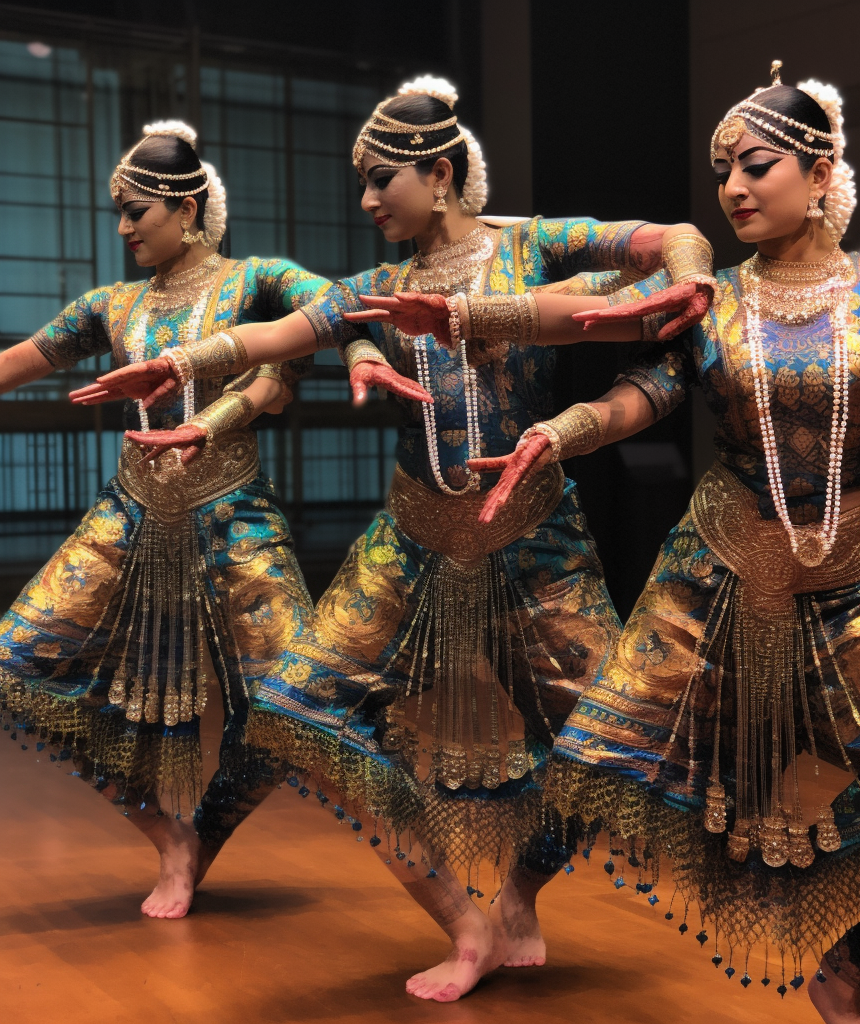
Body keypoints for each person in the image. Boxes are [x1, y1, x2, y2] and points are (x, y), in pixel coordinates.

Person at [360, 63, 860, 1023]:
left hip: (846, 603)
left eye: (755, 166)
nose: (734, 191)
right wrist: (558, 427)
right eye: (722, 175)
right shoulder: (713, 296)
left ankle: (844, 976)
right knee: (587, 765)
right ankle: (504, 914)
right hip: (706, 591)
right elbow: (642, 384)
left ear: (822, 164)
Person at [72, 76, 714, 1000]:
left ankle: (520, 896)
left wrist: (689, 272)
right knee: (297, 711)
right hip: (407, 539)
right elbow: (273, 338)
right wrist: (175, 367)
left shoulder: (533, 246)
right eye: (362, 183)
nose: (367, 200)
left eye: (382, 181)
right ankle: (464, 922)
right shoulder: (377, 288)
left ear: (441, 174)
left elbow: (663, 239)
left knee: (603, 742)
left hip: (534, 540)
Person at [0, 120, 423, 920]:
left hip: (234, 523)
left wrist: (361, 354)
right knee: (17, 659)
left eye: (136, 211)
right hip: (127, 521)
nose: (123, 228)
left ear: (187, 208)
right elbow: (20, 360)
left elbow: (333, 307)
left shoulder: (255, 279)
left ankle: (211, 833)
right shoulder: (109, 305)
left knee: (294, 698)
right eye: (117, 213)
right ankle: (168, 837)